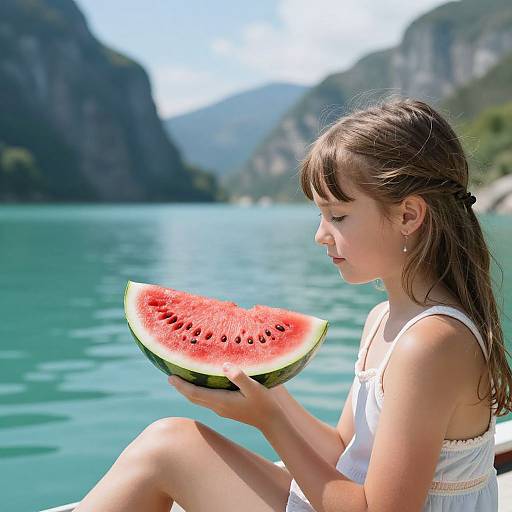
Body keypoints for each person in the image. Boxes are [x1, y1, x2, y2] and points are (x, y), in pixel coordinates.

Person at [74, 98, 512, 512]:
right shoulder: (384, 318)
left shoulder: (432, 343)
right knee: (165, 442)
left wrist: (271, 423)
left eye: (337, 216)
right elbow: (344, 451)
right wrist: (267, 395)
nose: (321, 235)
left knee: (166, 446)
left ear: (408, 216)